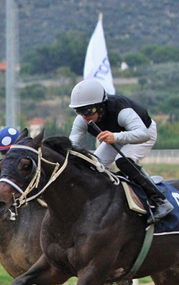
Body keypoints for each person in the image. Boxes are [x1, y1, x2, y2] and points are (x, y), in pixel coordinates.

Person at [68, 78, 173, 223]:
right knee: (92, 165)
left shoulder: (121, 110)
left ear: (100, 106)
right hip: (116, 136)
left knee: (122, 161)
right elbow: (71, 145)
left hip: (143, 133)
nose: (84, 116)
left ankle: (161, 201)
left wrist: (115, 137)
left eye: (88, 111)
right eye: (79, 111)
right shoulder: (82, 119)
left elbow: (143, 134)